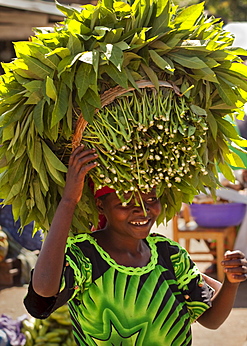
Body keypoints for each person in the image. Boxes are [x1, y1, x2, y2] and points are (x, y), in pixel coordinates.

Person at [24, 146, 247, 345]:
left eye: (150, 199)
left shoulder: (169, 254)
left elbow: (211, 320)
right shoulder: (86, 256)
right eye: (126, 201)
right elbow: (44, 288)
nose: (142, 209)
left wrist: (230, 283)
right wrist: (69, 200)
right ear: (101, 206)